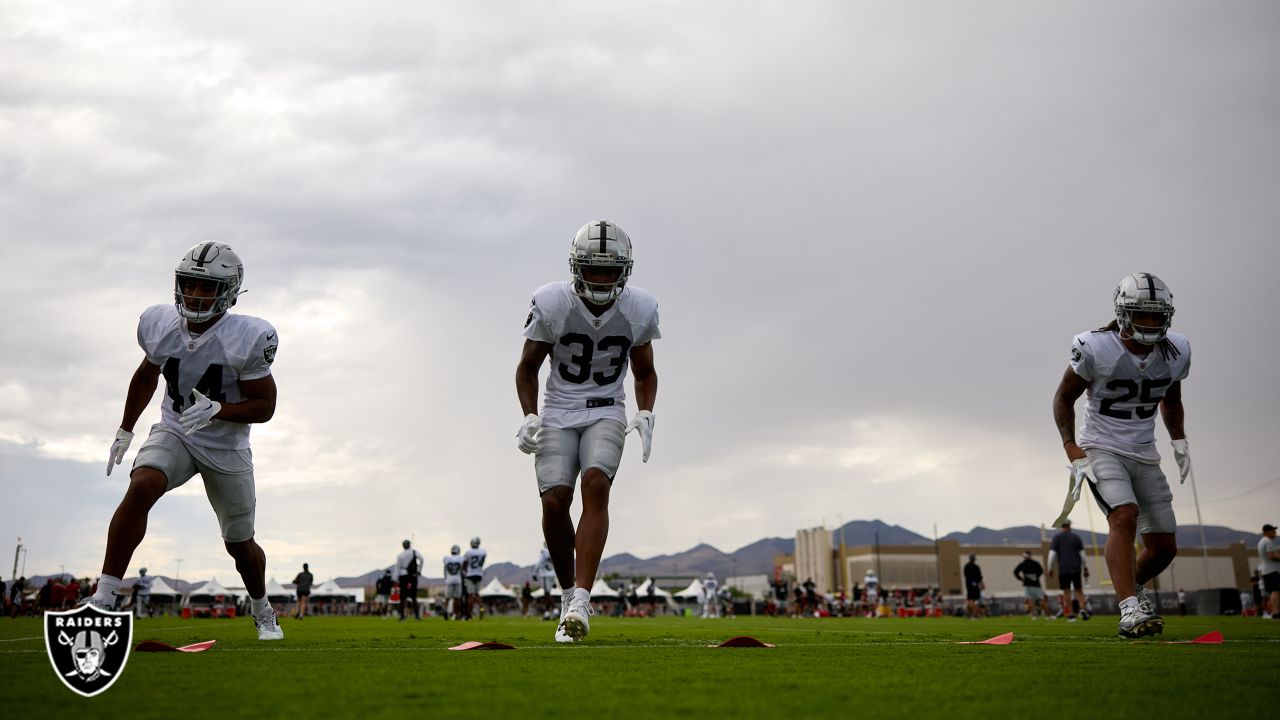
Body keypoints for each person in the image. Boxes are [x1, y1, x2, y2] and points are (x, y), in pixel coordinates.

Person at [82, 243, 282, 640]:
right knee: (142, 485)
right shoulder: (159, 324)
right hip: (176, 429)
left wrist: (219, 410)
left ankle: (262, 610)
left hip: (226, 445)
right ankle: (104, 596)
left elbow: (265, 406)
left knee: (240, 545)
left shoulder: (247, 336)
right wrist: (126, 429)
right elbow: (145, 375)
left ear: (227, 292)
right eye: (189, 284)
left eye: (206, 287)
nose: (195, 294)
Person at [515, 220, 659, 643]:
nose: (599, 278)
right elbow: (527, 367)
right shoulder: (552, 301)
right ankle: (565, 595)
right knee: (556, 501)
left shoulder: (639, 308)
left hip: (606, 408)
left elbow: (645, 371)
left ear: (624, 271)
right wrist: (528, 415)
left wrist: (647, 411)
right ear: (577, 267)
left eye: (608, 270)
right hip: (558, 410)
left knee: (596, 483)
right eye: (592, 269)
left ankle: (581, 599)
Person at [1053, 272, 1191, 639]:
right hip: (1101, 445)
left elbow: (1171, 399)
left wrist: (1179, 440)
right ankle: (1129, 609)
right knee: (1124, 515)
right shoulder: (1096, 346)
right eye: (1142, 315)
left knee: (1164, 546)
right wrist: (1073, 448)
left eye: (1156, 315)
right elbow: (1064, 398)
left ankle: (1134, 586)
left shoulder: (1175, 351)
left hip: (1144, 451)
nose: (1150, 323)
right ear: (1125, 314)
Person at [1047, 520, 1091, 621]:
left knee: (1066, 591)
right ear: (1069, 526)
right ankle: (1082, 608)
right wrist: (1085, 568)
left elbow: (1052, 555)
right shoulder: (1076, 537)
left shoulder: (1057, 538)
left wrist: (1050, 568)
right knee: (1078, 590)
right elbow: (1082, 555)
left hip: (1063, 568)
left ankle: (1071, 614)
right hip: (1076, 567)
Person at [1013, 551, 1051, 619]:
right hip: (1036, 584)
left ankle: (1034, 615)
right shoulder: (1035, 563)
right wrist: (1036, 577)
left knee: (1031, 600)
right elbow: (1041, 571)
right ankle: (1048, 615)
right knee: (1041, 599)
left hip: (1028, 584)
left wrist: (1022, 579)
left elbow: (1015, 572)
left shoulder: (1023, 564)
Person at [395, 540, 424, 621]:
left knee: (402, 597)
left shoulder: (400, 555)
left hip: (403, 576)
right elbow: (421, 559)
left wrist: (396, 579)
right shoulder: (414, 552)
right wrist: (419, 570)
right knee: (414, 597)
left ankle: (402, 616)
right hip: (413, 576)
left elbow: (397, 568)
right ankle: (417, 616)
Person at [461, 536, 487, 621]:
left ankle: (469, 614)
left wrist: (464, 572)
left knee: (470, 595)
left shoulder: (469, 552)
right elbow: (482, 562)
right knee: (477, 594)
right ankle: (481, 606)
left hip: (470, 574)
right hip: (479, 574)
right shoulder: (483, 552)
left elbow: (465, 563)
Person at [1259, 523, 1280, 619]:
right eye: (1273, 531)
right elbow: (1271, 556)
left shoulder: (1262, 541)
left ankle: (1275, 611)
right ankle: (1276, 612)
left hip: (1268, 570)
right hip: (1272, 570)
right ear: (1267, 532)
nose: (1275, 533)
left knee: (1274, 591)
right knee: (1276, 590)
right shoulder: (1267, 541)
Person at [533, 542, 558, 620]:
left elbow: (540, 562)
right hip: (552, 574)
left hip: (545, 575)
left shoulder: (543, 551)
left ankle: (555, 610)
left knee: (547, 594)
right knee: (548, 594)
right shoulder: (553, 551)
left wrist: (534, 572)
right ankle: (546, 614)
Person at [442, 545, 464, 621]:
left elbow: (444, 569)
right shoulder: (461, 558)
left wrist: (445, 578)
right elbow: (462, 569)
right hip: (457, 580)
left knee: (447, 598)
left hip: (449, 580)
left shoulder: (446, 558)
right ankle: (455, 614)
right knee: (457, 599)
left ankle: (445, 611)